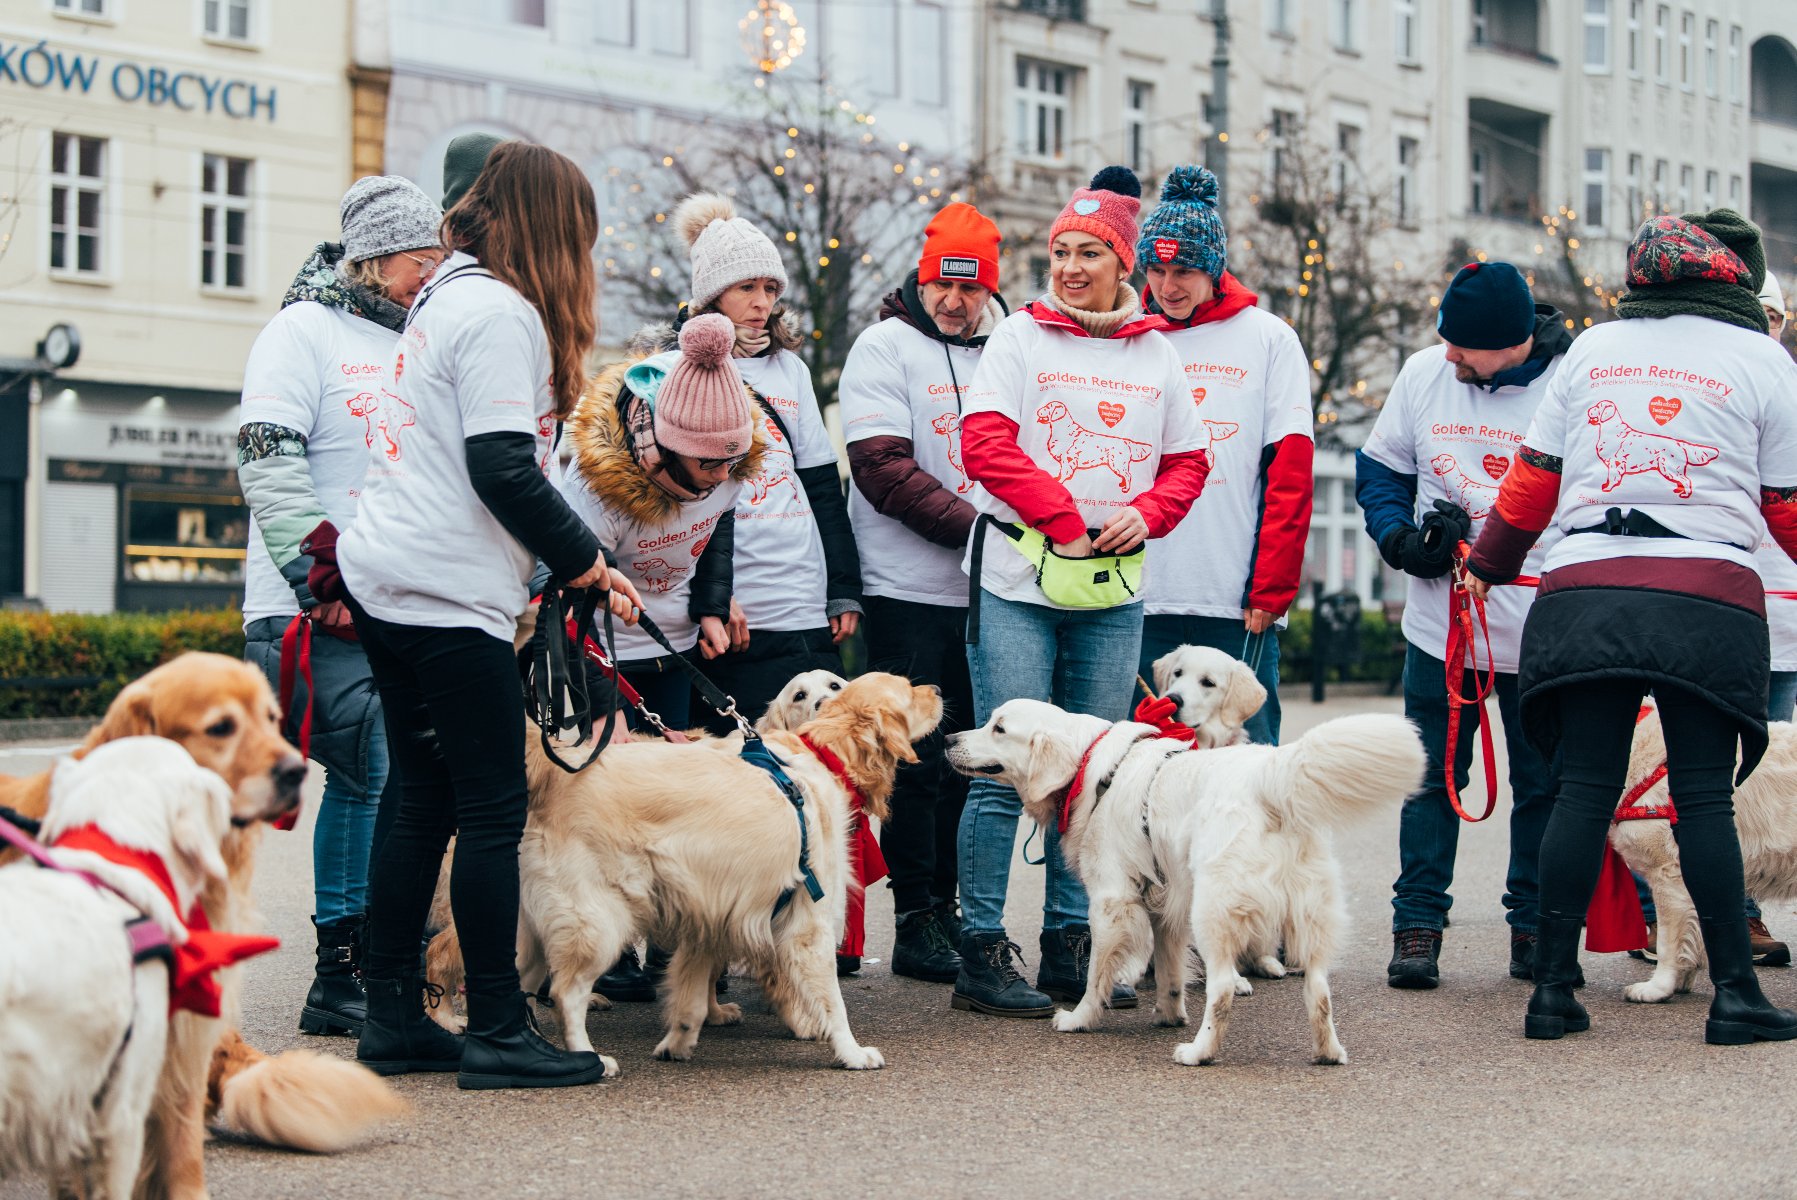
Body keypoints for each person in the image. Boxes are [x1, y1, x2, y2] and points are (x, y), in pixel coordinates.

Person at [317, 141, 643, 1089]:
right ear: (554, 230)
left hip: (392, 576)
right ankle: (499, 1028)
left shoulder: (442, 299)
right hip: (441, 588)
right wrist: (585, 562)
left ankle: (391, 1017)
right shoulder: (500, 314)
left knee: (422, 797)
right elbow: (500, 465)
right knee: (492, 806)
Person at [1466, 208, 1797, 1045]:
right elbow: (1785, 506)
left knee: (1582, 790)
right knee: (1701, 802)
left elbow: (1532, 480)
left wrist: (1489, 563)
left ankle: (1551, 995)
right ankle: (1733, 998)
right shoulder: (1763, 357)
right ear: (1736, 280)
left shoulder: (1590, 349)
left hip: (1584, 589)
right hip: (1704, 595)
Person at [952, 166, 1211, 1017]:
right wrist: (1060, 515)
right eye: (1059, 250)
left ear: (1121, 263)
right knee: (1000, 768)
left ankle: (1075, 943)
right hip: (1018, 580)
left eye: (1088, 252)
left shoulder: (1156, 351)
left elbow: (1188, 461)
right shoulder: (1019, 339)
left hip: (1111, 590)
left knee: (1101, 768)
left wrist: (1147, 511)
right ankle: (982, 950)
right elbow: (984, 443)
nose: (1068, 265)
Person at [237, 175, 444, 1038]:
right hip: (312, 605)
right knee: (372, 772)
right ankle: (342, 969)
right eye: (419, 258)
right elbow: (266, 455)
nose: (431, 274)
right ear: (373, 257)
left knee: (405, 776)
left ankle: (386, 960)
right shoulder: (302, 330)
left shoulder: (422, 338)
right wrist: (314, 578)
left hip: (398, 597)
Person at [1356, 261, 1572, 988]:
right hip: (1441, 622)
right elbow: (1381, 469)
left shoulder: (1566, 389)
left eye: (1462, 346)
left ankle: (1533, 925)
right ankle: (1416, 923)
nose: (1447, 354)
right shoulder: (1423, 374)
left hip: (1539, 624)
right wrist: (1396, 536)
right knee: (1430, 778)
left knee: (1540, 782)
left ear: (1511, 344)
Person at [556, 313, 760, 1000]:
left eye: (731, 462)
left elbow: (718, 530)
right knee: (605, 804)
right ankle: (603, 945)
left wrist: (710, 602)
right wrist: (604, 690)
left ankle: (672, 952)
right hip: (598, 649)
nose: (719, 477)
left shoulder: (727, 469)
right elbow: (556, 593)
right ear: (661, 448)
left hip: (672, 646)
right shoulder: (594, 488)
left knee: (671, 798)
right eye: (706, 464)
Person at [840, 201, 1009, 984]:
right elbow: (880, 467)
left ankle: (952, 908)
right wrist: (981, 533)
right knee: (912, 765)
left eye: (970, 289)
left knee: (970, 757)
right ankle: (913, 918)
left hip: (993, 592)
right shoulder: (883, 346)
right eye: (943, 282)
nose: (954, 300)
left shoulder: (1011, 349)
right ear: (922, 274)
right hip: (905, 589)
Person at [667, 193, 863, 746]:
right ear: (712, 295)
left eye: (770, 289)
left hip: (802, 595)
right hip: (738, 606)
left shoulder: (790, 370)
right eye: (746, 288)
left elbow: (824, 485)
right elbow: (680, 503)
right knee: (742, 758)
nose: (761, 303)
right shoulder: (674, 371)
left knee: (823, 756)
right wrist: (710, 597)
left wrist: (843, 589)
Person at [1133, 165, 1313, 744]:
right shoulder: (1130, 333)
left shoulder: (1268, 338)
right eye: (1155, 270)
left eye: (1183, 270)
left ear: (1214, 267)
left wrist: (1271, 589)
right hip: (1137, 590)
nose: (1168, 286)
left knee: (1250, 763)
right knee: (1144, 764)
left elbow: (1289, 473)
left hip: (1232, 597)